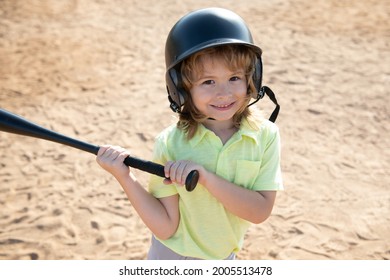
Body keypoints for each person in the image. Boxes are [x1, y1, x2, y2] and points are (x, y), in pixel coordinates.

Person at [96, 7, 283, 260]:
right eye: (208, 82)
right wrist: (124, 177)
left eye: (234, 78)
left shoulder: (265, 136)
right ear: (181, 90)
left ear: (253, 77)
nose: (224, 93)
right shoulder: (171, 143)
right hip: (171, 259)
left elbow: (259, 211)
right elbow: (165, 226)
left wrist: (205, 178)